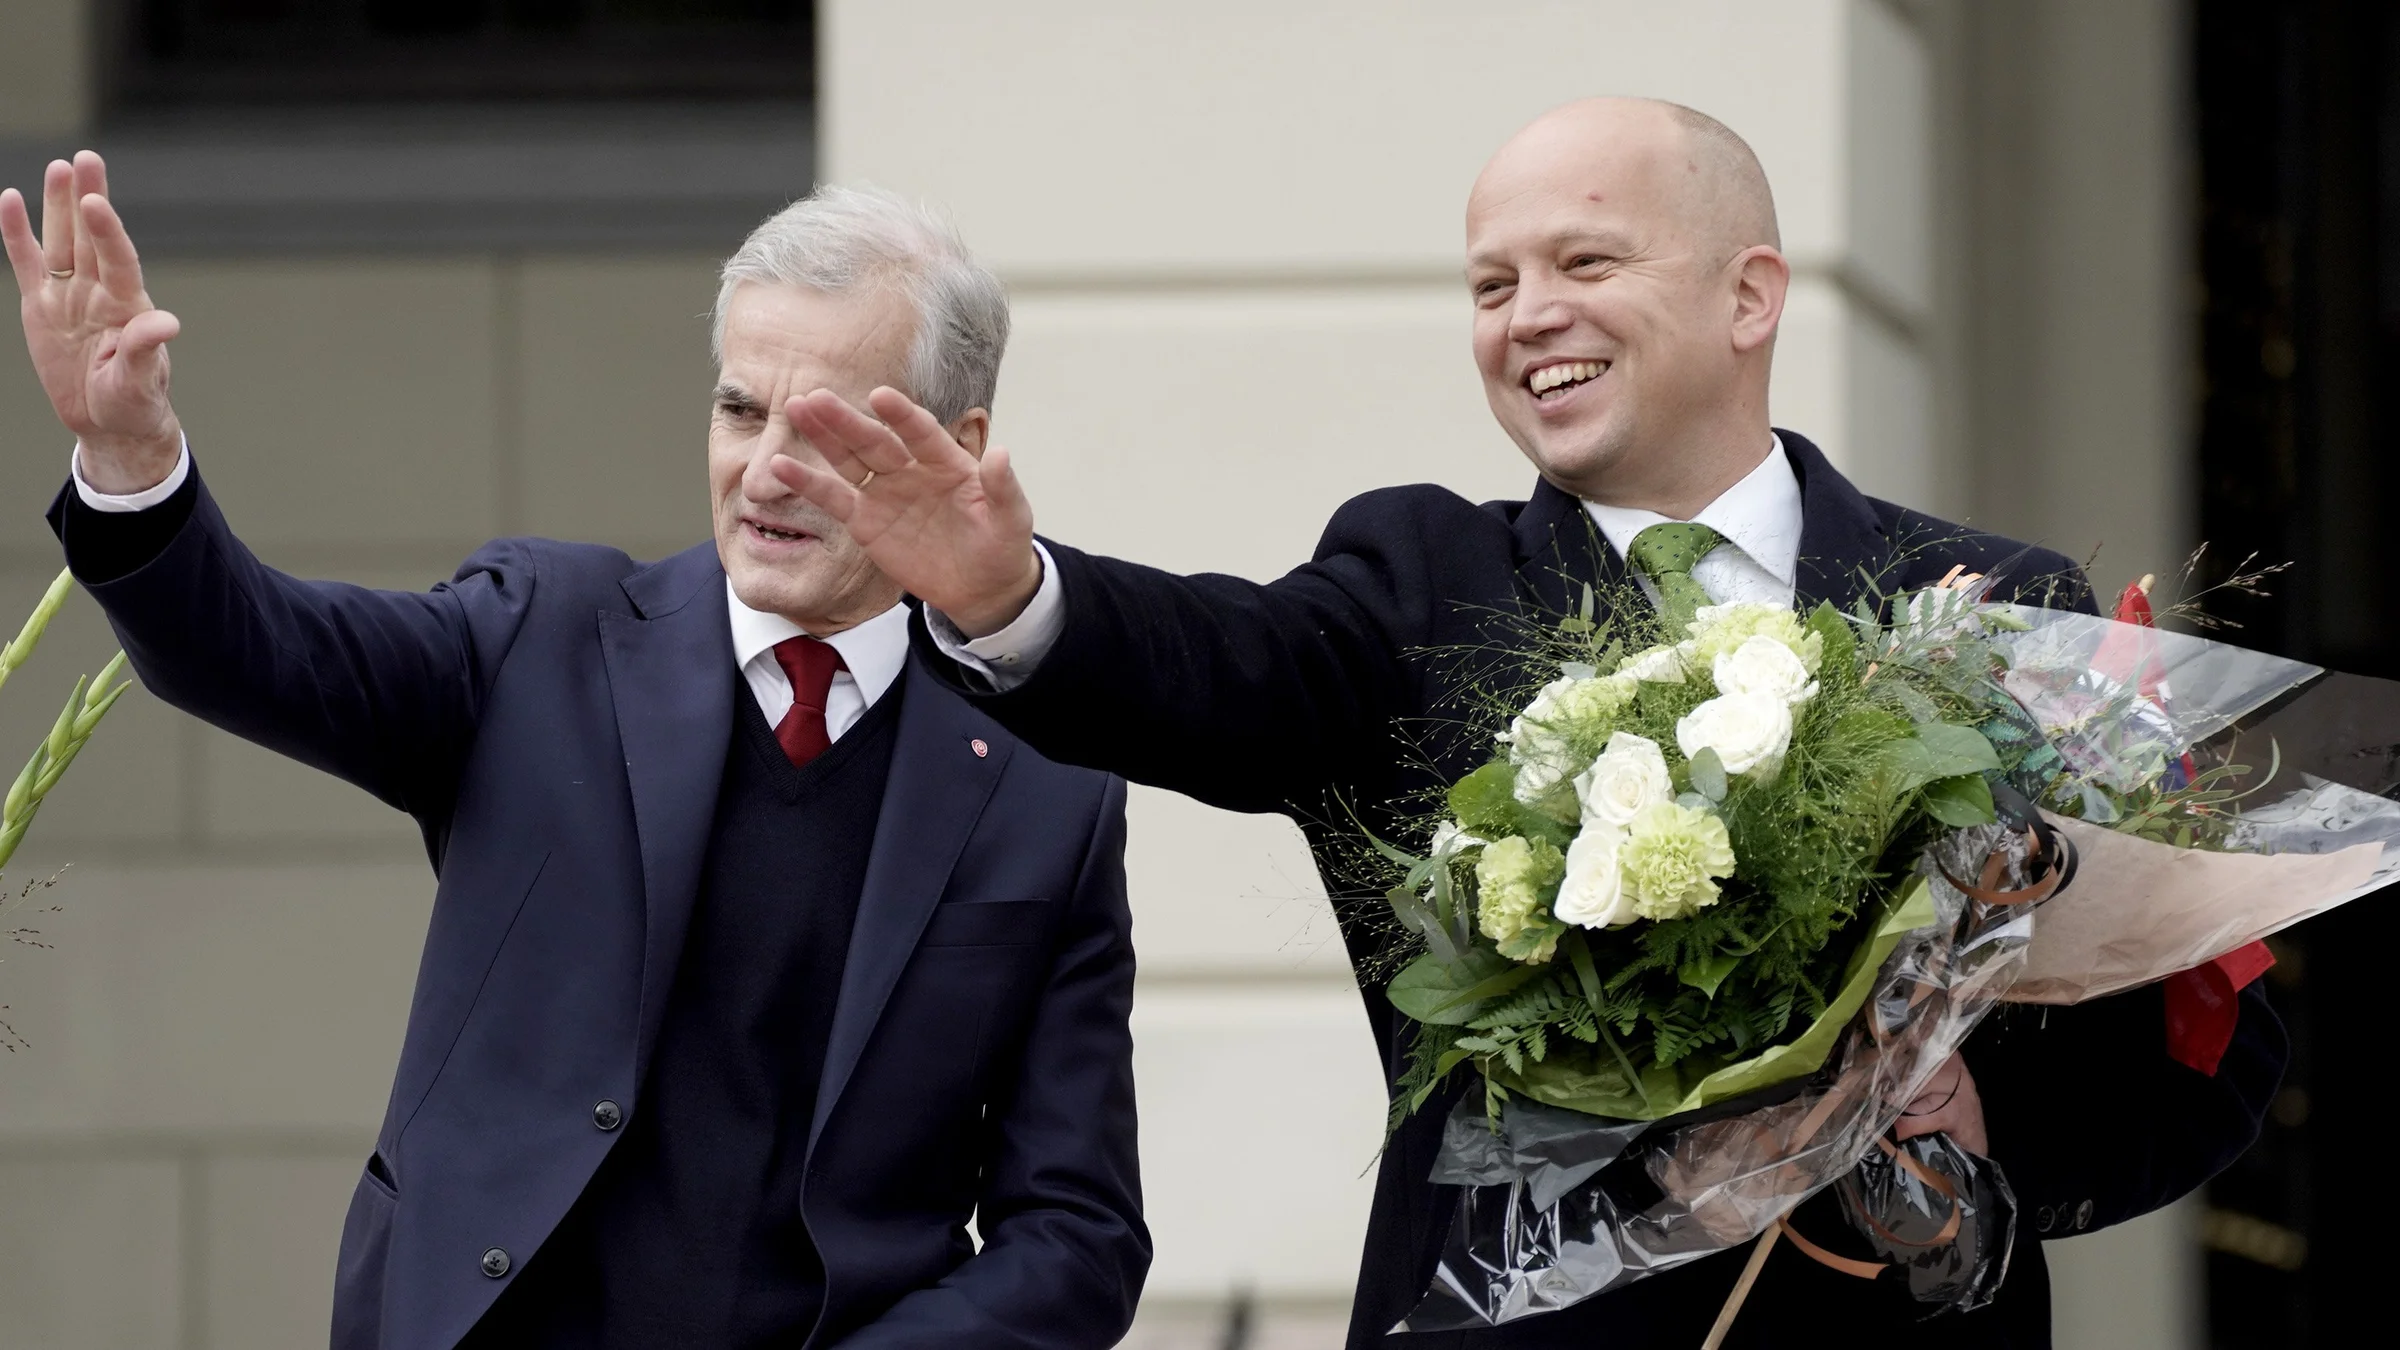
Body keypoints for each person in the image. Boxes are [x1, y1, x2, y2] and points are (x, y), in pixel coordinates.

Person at [763, 99, 2286, 1347]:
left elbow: (2199, 1043)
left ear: (1747, 293)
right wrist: (1010, 590)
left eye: (1583, 263)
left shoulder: (1989, 607)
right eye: (1491, 285)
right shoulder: (1420, 579)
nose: (1527, 315)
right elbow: (1222, 669)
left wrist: (1975, 1105)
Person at [3, 156, 1148, 1349]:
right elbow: (253, 649)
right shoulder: (540, 638)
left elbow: (1076, 1233)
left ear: (956, 446)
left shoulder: (1044, 778)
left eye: (824, 431)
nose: (765, 473)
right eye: (740, 410)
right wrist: (134, 465)